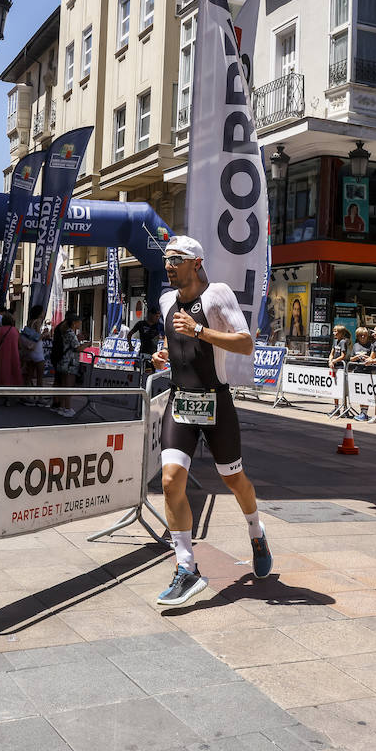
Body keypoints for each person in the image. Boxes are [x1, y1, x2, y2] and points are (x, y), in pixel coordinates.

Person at [151, 236, 271, 606]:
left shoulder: (218, 295)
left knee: (234, 479)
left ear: (196, 263)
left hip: (216, 402)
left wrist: (200, 330)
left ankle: (255, 529)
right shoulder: (166, 300)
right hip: (180, 400)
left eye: (175, 260)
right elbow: (179, 344)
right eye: (166, 260)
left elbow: (246, 342)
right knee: (171, 480)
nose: (168, 265)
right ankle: (186, 567)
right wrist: (164, 356)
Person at [51, 313, 83, 418]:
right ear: (74, 323)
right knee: (68, 386)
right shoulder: (70, 333)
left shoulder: (64, 331)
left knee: (63, 385)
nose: (80, 323)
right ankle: (67, 408)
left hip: (63, 361)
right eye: (79, 321)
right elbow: (77, 348)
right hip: (70, 363)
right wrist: (87, 344)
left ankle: (61, 406)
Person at [20, 305, 47, 406]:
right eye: (43, 312)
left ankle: (26, 396)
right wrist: (44, 334)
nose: (44, 313)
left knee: (29, 375)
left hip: (29, 351)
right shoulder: (38, 322)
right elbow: (38, 337)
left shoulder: (29, 321)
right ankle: (40, 398)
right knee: (40, 376)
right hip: (37, 350)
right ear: (39, 313)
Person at [0, 312, 23, 397]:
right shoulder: (15, 330)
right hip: (14, 355)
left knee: (2, 373)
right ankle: (10, 396)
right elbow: (20, 345)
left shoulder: (0, 330)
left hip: (2, 355)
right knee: (13, 373)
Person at [348, 326, 373, 422]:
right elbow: (351, 358)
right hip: (358, 371)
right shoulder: (355, 345)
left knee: (366, 393)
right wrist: (358, 356)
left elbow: (372, 357)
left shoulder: (371, 345)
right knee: (360, 392)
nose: (363, 337)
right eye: (360, 335)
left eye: (364, 335)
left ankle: (365, 413)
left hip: (367, 371)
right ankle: (361, 412)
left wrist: (366, 357)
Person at [327, 324, 351, 418]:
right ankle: (336, 407)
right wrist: (330, 361)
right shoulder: (335, 341)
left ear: (341, 333)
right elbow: (332, 353)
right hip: (334, 367)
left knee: (342, 389)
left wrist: (334, 361)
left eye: (337, 331)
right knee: (335, 388)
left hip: (341, 367)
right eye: (334, 331)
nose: (334, 333)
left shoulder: (343, 342)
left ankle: (345, 408)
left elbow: (343, 356)